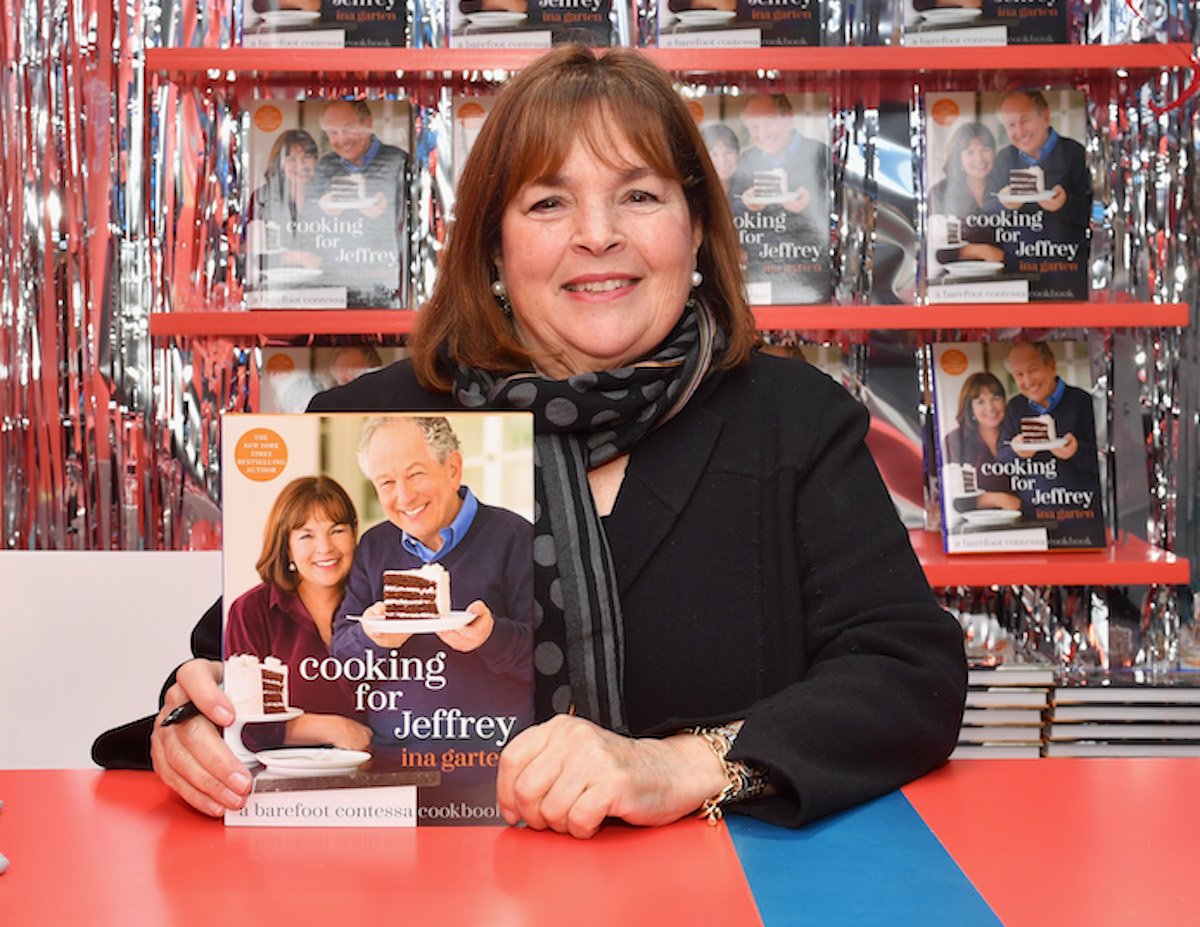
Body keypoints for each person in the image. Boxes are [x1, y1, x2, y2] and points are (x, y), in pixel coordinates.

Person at [145, 45, 966, 836]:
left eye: (640, 195)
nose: (598, 234)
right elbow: (237, 658)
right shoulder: (374, 422)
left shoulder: (794, 418)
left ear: (696, 228)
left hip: (725, 892)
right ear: (494, 246)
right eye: (548, 202)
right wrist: (190, 718)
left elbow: (908, 672)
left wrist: (686, 765)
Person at [332, 416, 532, 750]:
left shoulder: (516, 538)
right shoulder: (374, 546)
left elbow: (551, 659)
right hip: (392, 761)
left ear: (453, 468)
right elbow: (340, 657)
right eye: (386, 483)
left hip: (489, 761)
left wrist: (490, 636)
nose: (404, 496)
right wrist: (372, 637)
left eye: (415, 474)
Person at [225, 476, 373, 753]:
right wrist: (332, 728)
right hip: (282, 781)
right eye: (306, 535)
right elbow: (245, 724)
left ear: (354, 533)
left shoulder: (378, 606)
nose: (325, 547)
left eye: (337, 530)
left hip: (382, 775)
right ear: (286, 546)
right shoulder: (251, 611)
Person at [996, 342, 1104, 542]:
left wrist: (1076, 451)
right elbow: (1001, 458)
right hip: (1031, 520)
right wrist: (1016, 451)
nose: (1027, 381)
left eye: (1033, 370)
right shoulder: (1015, 407)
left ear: (1051, 365)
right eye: (1019, 375)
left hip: (1080, 519)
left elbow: (1103, 461)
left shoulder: (1083, 401)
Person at [727, 93, 829, 303]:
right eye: (754, 126)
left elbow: (843, 213)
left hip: (810, 276)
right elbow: (728, 212)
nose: (761, 133)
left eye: (768, 123)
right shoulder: (748, 160)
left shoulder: (818, 154)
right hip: (759, 277)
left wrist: (813, 204)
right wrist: (745, 205)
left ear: (788, 118)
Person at [992, 90, 1091, 299]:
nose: (1019, 131)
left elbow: (1096, 214)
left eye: (1025, 120)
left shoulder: (1076, 154)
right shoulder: (1003, 159)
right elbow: (983, 214)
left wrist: (1066, 204)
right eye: (1010, 125)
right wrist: (1003, 205)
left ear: (1044, 116)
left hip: (1066, 276)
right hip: (1015, 277)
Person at [312, 100, 407, 306]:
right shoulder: (324, 166)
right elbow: (305, 228)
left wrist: (387, 213)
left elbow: (415, 222)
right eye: (333, 132)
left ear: (368, 124)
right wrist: (322, 213)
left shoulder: (398, 161)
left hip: (387, 285)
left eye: (348, 129)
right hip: (332, 286)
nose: (341, 139)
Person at [942, 371, 1021, 513]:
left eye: (996, 398)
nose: (990, 407)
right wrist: (999, 499)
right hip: (976, 528)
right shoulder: (955, 440)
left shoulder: (1019, 434)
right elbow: (955, 500)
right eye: (980, 401)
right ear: (969, 407)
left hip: (1027, 520)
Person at [247, 128, 323, 274]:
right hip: (277, 286)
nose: (301, 165)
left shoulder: (329, 196)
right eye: (291, 159)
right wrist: (296, 257)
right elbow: (253, 255)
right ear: (279, 164)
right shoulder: (262, 198)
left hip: (326, 285)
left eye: (307, 156)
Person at [928, 121, 1005, 266]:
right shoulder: (941, 192)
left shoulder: (1006, 189)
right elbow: (937, 250)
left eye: (985, 149)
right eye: (969, 152)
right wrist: (981, 251)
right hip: (956, 281)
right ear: (959, 158)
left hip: (1009, 277)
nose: (979, 158)